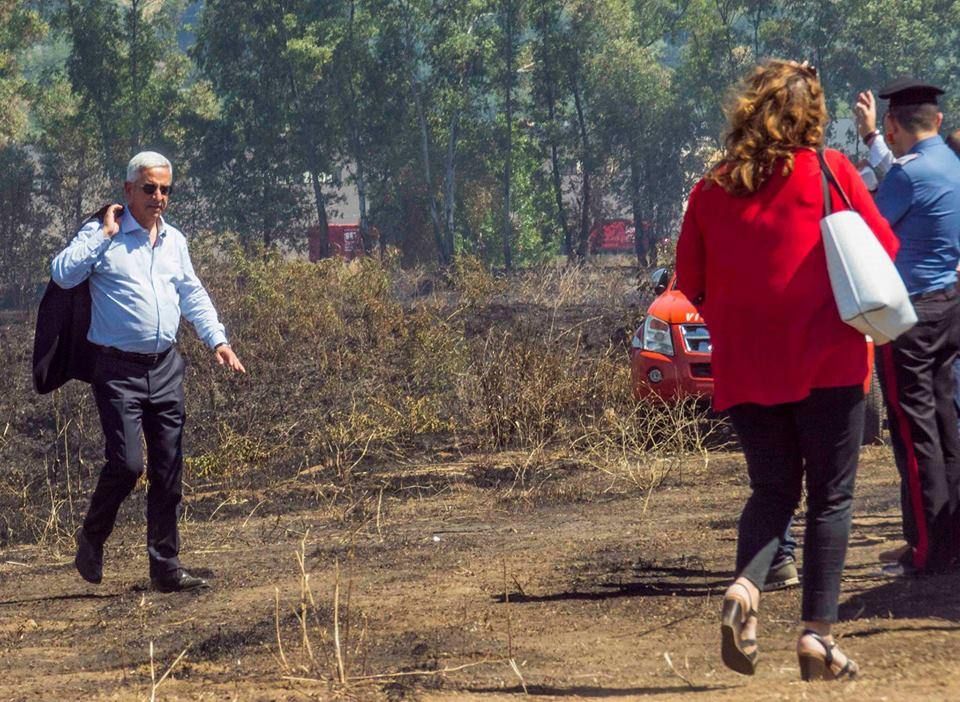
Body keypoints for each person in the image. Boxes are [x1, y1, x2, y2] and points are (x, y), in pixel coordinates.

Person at [676, 59, 899, 680]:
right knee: (832, 496)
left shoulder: (710, 189)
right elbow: (885, 249)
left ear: (748, 109)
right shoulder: (831, 171)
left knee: (773, 491)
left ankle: (746, 591)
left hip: (747, 373)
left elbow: (689, 285)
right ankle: (817, 637)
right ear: (812, 114)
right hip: (829, 363)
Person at [51, 151, 246, 592]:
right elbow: (62, 274)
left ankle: (165, 568)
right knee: (126, 464)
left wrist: (217, 339)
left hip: (165, 367)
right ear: (128, 191)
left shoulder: (175, 240)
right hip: (116, 370)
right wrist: (101, 233)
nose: (158, 197)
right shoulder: (105, 236)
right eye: (149, 188)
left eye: (164, 190)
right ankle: (92, 536)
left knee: (168, 468)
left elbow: (191, 292)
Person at [857, 79, 960, 577]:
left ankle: (926, 550)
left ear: (894, 126)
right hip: (949, 307)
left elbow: (868, 229)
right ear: (937, 120)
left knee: (913, 435)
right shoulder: (952, 164)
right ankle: (948, 541)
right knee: (944, 427)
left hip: (909, 319)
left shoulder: (906, 176)